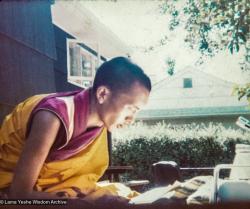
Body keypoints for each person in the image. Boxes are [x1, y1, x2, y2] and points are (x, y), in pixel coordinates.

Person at [0, 57, 151, 201]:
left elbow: (81, 183)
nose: (131, 119)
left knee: (127, 197)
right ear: (103, 94)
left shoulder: (100, 124)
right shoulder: (52, 117)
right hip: (13, 194)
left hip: (64, 192)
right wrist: (85, 204)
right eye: (131, 108)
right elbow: (19, 195)